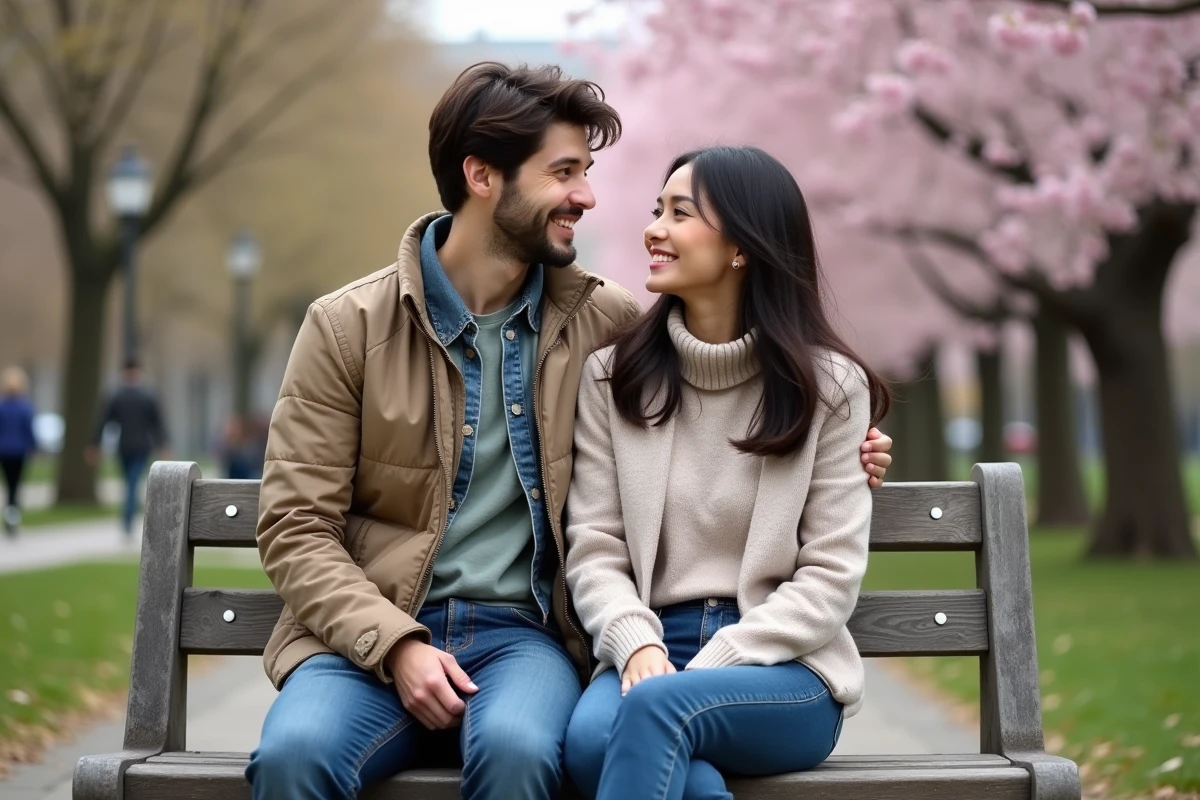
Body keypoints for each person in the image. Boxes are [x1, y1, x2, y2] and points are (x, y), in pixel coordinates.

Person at [246, 63, 893, 800]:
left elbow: (755, 384)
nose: (588, 196)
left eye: (586, 172)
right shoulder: (348, 327)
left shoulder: (607, 328)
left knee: (526, 753)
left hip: (523, 639)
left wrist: (853, 450)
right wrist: (394, 645)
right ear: (483, 176)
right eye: (564, 173)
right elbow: (297, 526)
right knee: (295, 755)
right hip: (368, 637)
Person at [562, 146, 892, 800]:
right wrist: (635, 646)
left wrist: (709, 669)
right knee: (593, 742)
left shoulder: (830, 389)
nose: (654, 227)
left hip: (784, 668)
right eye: (657, 209)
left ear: (742, 246)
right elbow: (596, 548)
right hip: (651, 645)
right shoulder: (613, 378)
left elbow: (830, 575)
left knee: (655, 714)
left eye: (679, 213)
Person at [86, 359, 169, 536]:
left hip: (124, 446)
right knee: (132, 482)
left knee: (129, 483)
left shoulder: (116, 396)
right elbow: (158, 424)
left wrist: (95, 445)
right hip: (141, 446)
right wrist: (163, 444)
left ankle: (127, 519)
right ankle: (129, 517)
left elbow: (103, 422)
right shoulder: (147, 396)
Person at [0, 367, 38, 537]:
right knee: (15, 486)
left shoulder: (2, 406)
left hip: (4, 451)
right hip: (19, 451)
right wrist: (34, 447)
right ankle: (12, 519)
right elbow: (29, 430)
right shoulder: (25, 407)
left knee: (9, 485)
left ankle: (10, 517)